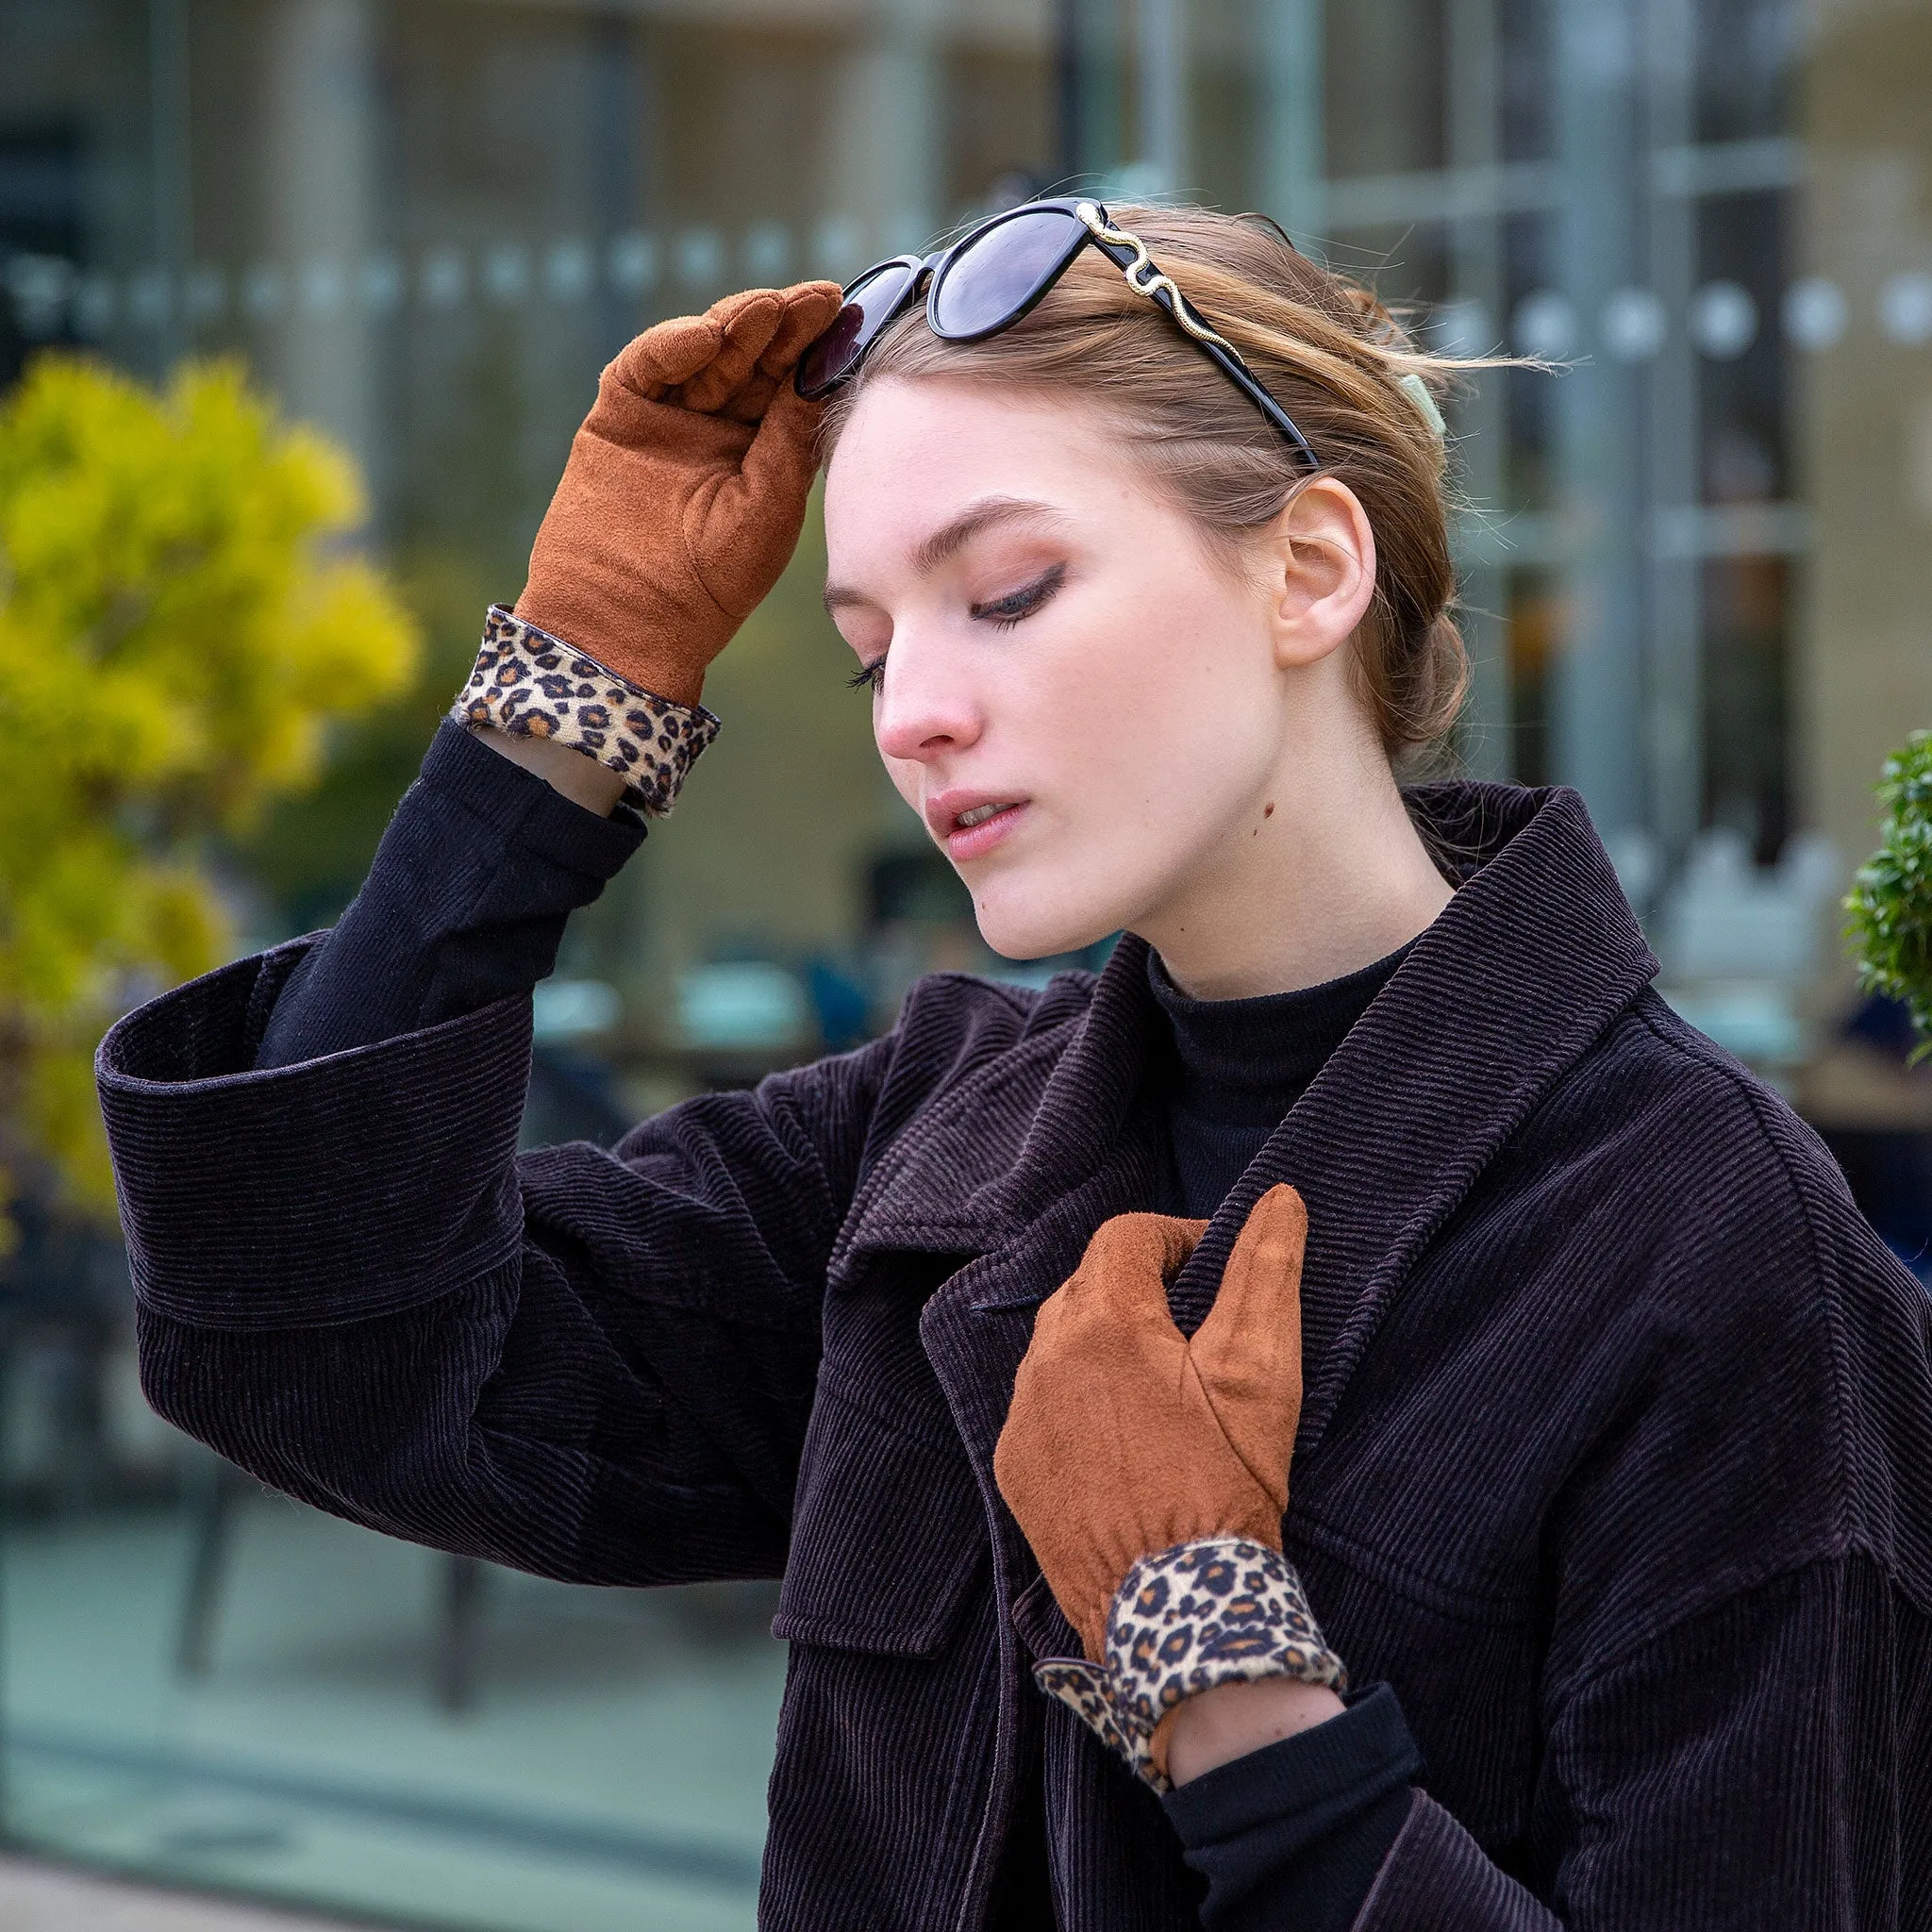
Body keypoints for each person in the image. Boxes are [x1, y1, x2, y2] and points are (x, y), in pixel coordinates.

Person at [98, 201, 1932, 1930]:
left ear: (1306, 565)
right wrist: (572, 691)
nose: (912, 715)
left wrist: (1227, 1691)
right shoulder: (926, 1151)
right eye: (865, 650)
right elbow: (322, 1337)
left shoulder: (1711, 1257)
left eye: (1011, 590)